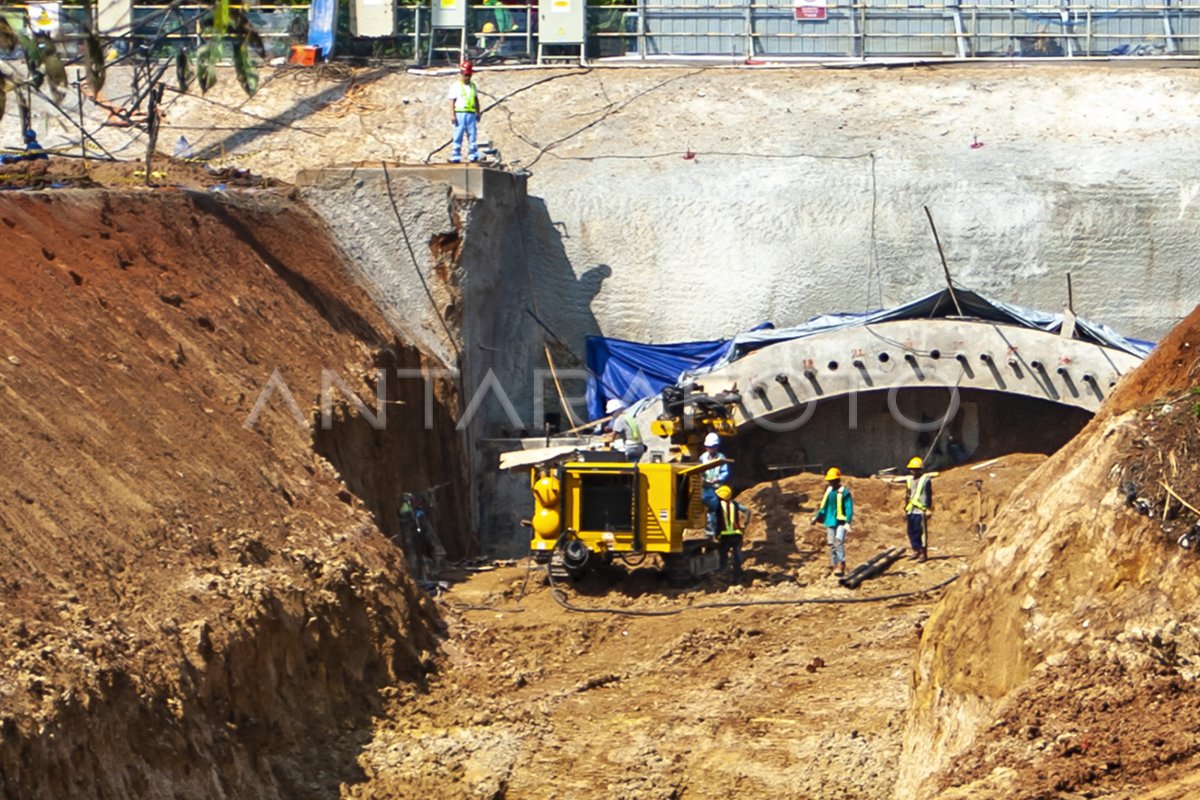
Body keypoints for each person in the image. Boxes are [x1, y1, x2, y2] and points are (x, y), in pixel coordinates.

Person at [812, 467, 853, 577]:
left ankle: (841, 564)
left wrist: (848, 521)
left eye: (833, 481)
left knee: (838, 542)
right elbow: (823, 507)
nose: (831, 483)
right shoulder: (829, 492)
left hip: (841, 522)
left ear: (838, 480)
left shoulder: (844, 493)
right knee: (831, 544)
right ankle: (834, 564)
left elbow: (849, 508)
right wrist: (816, 517)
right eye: (830, 481)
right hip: (830, 521)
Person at [447, 61, 481, 164]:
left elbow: (476, 99)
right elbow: (452, 101)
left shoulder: (473, 86)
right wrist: (452, 114)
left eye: (469, 75)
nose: (467, 77)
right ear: (461, 74)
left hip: (471, 113)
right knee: (458, 134)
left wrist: (478, 112)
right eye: (466, 75)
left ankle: (473, 155)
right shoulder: (456, 86)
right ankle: (456, 155)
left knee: (472, 134)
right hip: (460, 113)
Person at [715, 484, 750, 580]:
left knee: (723, 554)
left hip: (725, 535)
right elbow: (747, 511)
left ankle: (722, 571)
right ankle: (738, 572)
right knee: (737, 554)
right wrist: (745, 523)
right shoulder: (734, 504)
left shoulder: (718, 506)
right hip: (737, 534)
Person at [904, 456, 934, 562]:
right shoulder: (909, 480)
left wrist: (929, 508)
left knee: (921, 532)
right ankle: (915, 550)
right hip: (911, 510)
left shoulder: (925, 480)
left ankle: (923, 553)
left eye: (915, 469)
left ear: (920, 470)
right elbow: (907, 495)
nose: (912, 471)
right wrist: (905, 509)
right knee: (911, 531)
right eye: (911, 469)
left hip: (920, 510)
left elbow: (929, 495)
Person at [699, 432, 729, 536]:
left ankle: (717, 531)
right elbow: (699, 470)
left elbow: (725, 472)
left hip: (717, 488)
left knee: (717, 510)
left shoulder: (721, 457)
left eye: (712, 447)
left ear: (716, 446)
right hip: (706, 487)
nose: (710, 449)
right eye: (708, 447)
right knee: (708, 510)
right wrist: (702, 479)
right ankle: (709, 531)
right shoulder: (703, 458)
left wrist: (717, 479)